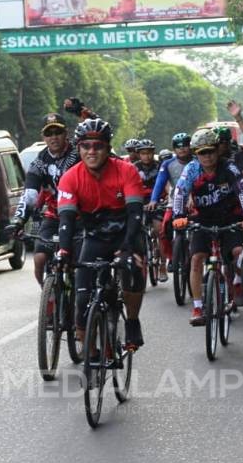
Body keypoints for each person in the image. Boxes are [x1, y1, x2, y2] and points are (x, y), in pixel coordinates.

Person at [56, 117, 146, 351]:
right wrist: (64, 251)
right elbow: (66, 221)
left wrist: (127, 248)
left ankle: (133, 321)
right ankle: (92, 352)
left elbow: (136, 213)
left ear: (108, 147)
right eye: (86, 146)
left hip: (126, 233)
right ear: (78, 148)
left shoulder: (126, 171)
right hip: (95, 238)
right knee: (82, 297)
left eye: (98, 146)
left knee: (134, 272)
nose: (92, 151)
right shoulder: (70, 177)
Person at [171, 128, 243, 325]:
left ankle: (238, 284)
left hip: (229, 218)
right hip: (202, 220)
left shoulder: (229, 168)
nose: (207, 157)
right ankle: (198, 307)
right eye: (202, 152)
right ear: (196, 154)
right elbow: (180, 192)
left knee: (239, 252)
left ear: (217, 150)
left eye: (211, 151)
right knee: (197, 259)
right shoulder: (191, 169)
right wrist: (179, 216)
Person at [9, 113, 80, 286]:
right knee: (39, 258)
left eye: (58, 132)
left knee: (79, 260)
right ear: (43, 137)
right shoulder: (40, 162)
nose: (54, 137)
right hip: (54, 215)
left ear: (66, 134)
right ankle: (47, 293)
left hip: (80, 216)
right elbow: (30, 194)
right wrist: (19, 220)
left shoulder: (79, 155)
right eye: (49, 133)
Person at [149, 132, 193, 273]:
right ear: (174, 149)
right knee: (165, 228)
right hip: (175, 200)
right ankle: (171, 257)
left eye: (185, 145)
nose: (182, 149)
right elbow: (160, 182)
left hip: (197, 199)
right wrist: (154, 200)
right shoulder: (168, 164)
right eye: (178, 146)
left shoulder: (197, 161)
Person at [133, 138, 167, 282]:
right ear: (139, 154)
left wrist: (165, 199)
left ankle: (163, 266)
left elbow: (166, 185)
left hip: (157, 202)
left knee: (160, 231)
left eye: (149, 153)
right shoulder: (133, 168)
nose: (146, 156)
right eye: (143, 153)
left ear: (153, 153)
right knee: (135, 232)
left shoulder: (161, 166)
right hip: (139, 202)